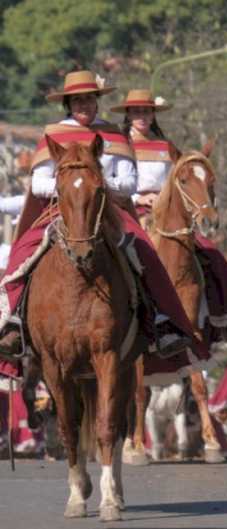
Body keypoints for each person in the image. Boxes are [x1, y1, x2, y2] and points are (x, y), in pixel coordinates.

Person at [0, 71, 207, 385]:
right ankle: (13, 322)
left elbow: (129, 181)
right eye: (78, 100)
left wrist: (97, 186)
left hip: (106, 206)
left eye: (89, 99)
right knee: (23, 252)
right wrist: (70, 188)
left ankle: (163, 321)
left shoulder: (112, 135)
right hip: (62, 207)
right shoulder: (53, 134)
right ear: (69, 104)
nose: (84, 105)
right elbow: (39, 181)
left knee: (143, 250)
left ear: (97, 102)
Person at [113, 88, 227, 345]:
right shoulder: (119, 145)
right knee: (130, 250)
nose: (142, 115)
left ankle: (224, 316)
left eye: (147, 110)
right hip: (133, 210)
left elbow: (183, 180)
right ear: (128, 115)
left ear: (153, 114)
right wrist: (137, 198)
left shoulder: (166, 147)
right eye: (137, 111)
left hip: (168, 212)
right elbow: (110, 181)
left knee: (207, 250)